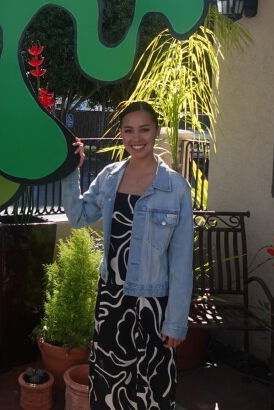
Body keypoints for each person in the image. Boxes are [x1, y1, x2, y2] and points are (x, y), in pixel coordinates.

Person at [61, 101, 194, 410]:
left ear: (156, 131)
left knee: (152, 391)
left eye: (144, 130)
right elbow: (79, 217)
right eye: (129, 130)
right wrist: (71, 173)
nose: (137, 138)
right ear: (121, 134)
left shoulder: (175, 188)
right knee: (108, 387)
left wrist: (175, 321)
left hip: (154, 305)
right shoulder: (110, 177)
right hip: (111, 301)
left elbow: (181, 261)